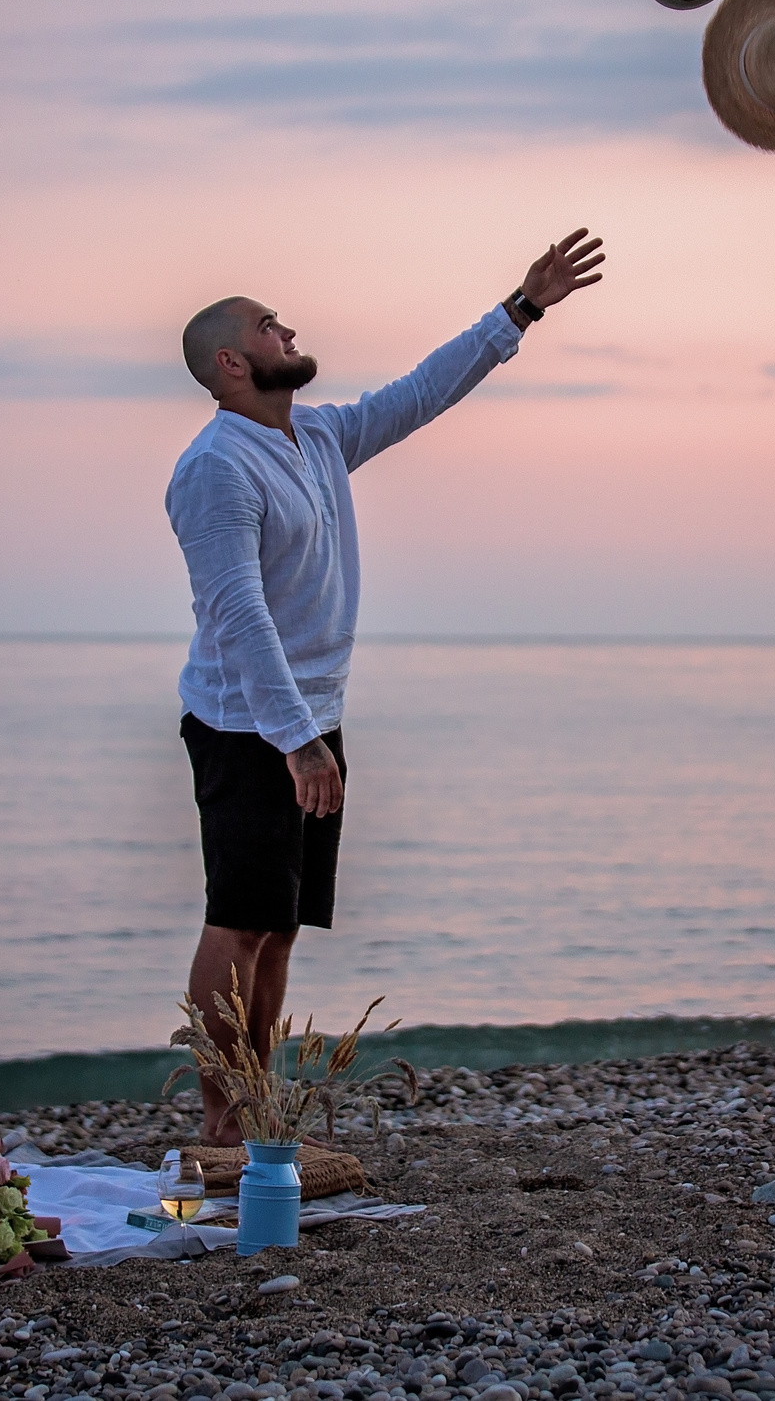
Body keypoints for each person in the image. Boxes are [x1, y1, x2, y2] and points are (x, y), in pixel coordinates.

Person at [166, 229, 607, 1144]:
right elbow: (239, 616)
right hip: (251, 727)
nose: (289, 330)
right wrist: (294, 739)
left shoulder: (317, 434)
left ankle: (262, 1108)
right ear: (231, 360)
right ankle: (220, 1121)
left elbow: (419, 394)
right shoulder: (215, 469)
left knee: (280, 931)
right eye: (269, 326)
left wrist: (518, 309)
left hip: (311, 722)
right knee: (237, 924)